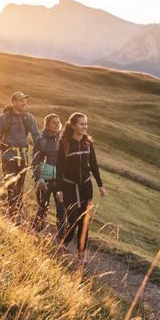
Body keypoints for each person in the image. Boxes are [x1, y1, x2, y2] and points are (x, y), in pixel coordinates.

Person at [55, 112, 106, 261]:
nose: (85, 127)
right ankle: (64, 242)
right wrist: (58, 189)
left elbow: (94, 164)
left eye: (86, 124)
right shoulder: (65, 144)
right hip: (69, 186)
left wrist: (100, 184)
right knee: (73, 219)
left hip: (85, 186)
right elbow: (59, 169)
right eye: (81, 124)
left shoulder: (87, 143)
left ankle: (81, 253)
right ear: (73, 126)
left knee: (84, 220)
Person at [0, 92, 40, 220]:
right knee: (12, 187)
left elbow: (36, 137)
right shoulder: (3, 118)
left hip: (23, 158)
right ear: (14, 102)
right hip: (8, 157)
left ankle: (15, 216)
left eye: (25, 100)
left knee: (20, 189)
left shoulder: (28, 118)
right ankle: (14, 217)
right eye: (21, 100)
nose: (24, 103)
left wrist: (40, 156)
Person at [31, 113, 65, 233]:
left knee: (61, 209)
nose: (57, 125)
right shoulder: (41, 141)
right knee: (43, 208)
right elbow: (35, 161)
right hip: (44, 181)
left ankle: (61, 238)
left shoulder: (62, 141)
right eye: (54, 122)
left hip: (59, 182)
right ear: (47, 125)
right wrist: (39, 179)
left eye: (58, 122)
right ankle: (35, 233)